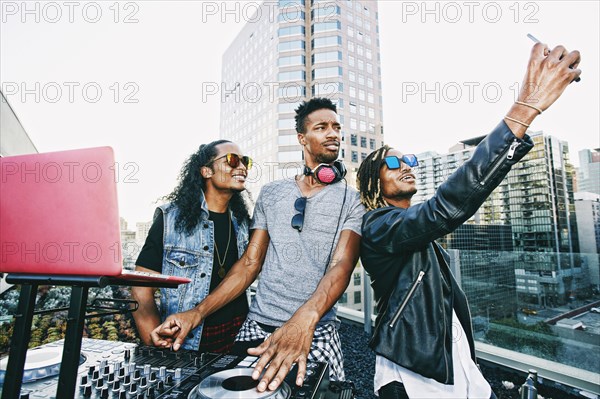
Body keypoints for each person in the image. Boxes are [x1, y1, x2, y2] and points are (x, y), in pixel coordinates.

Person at [357, 42, 581, 399]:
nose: (408, 167)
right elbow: (448, 206)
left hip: (455, 363)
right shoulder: (377, 226)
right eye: (395, 163)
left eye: (410, 160)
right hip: (412, 373)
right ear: (373, 181)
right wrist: (524, 110)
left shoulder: (415, 231)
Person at [150, 97, 365, 393]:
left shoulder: (352, 200)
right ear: (302, 138)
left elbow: (342, 264)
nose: (333, 134)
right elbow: (250, 264)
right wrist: (196, 313)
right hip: (256, 329)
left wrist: (304, 320)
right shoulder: (272, 193)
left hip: (315, 331)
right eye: (322, 127)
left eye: (337, 127)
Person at [131, 140, 253, 353]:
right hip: (188, 339)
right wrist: (156, 347)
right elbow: (142, 289)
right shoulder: (171, 219)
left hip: (240, 334)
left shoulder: (243, 222)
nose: (241, 167)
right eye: (232, 160)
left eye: (245, 161)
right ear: (206, 171)